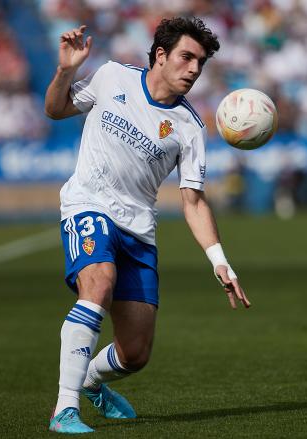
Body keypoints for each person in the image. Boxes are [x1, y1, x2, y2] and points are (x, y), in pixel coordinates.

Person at [44, 17, 250, 434]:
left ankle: (88, 380)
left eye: (201, 62)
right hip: (88, 204)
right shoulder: (112, 76)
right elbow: (55, 109)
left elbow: (193, 201)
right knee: (98, 281)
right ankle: (64, 408)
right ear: (160, 55)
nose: (194, 69)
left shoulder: (190, 128)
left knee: (135, 353)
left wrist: (220, 261)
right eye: (186, 57)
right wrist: (66, 70)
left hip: (138, 229)